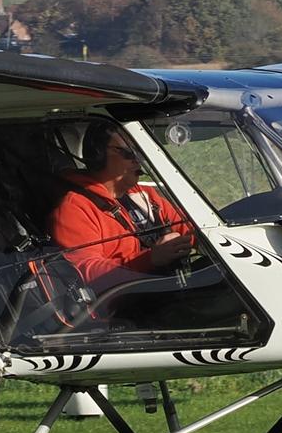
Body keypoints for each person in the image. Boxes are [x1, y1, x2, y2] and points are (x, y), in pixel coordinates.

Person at [48, 120, 197, 304]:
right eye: (129, 153)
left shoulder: (145, 195)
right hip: (122, 311)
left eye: (140, 152)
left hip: (167, 295)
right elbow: (87, 274)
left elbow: (190, 229)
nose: (138, 160)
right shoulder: (74, 209)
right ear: (99, 155)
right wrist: (151, 259)